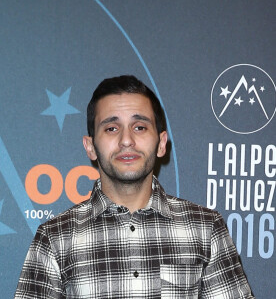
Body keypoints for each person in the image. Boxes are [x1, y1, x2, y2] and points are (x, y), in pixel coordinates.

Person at [15, 75, 254, 298]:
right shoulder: (56, 237)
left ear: (161, 143)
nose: (126, 140)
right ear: (90, 147)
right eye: (111, 128)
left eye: (139, 127)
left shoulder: (205, 228)